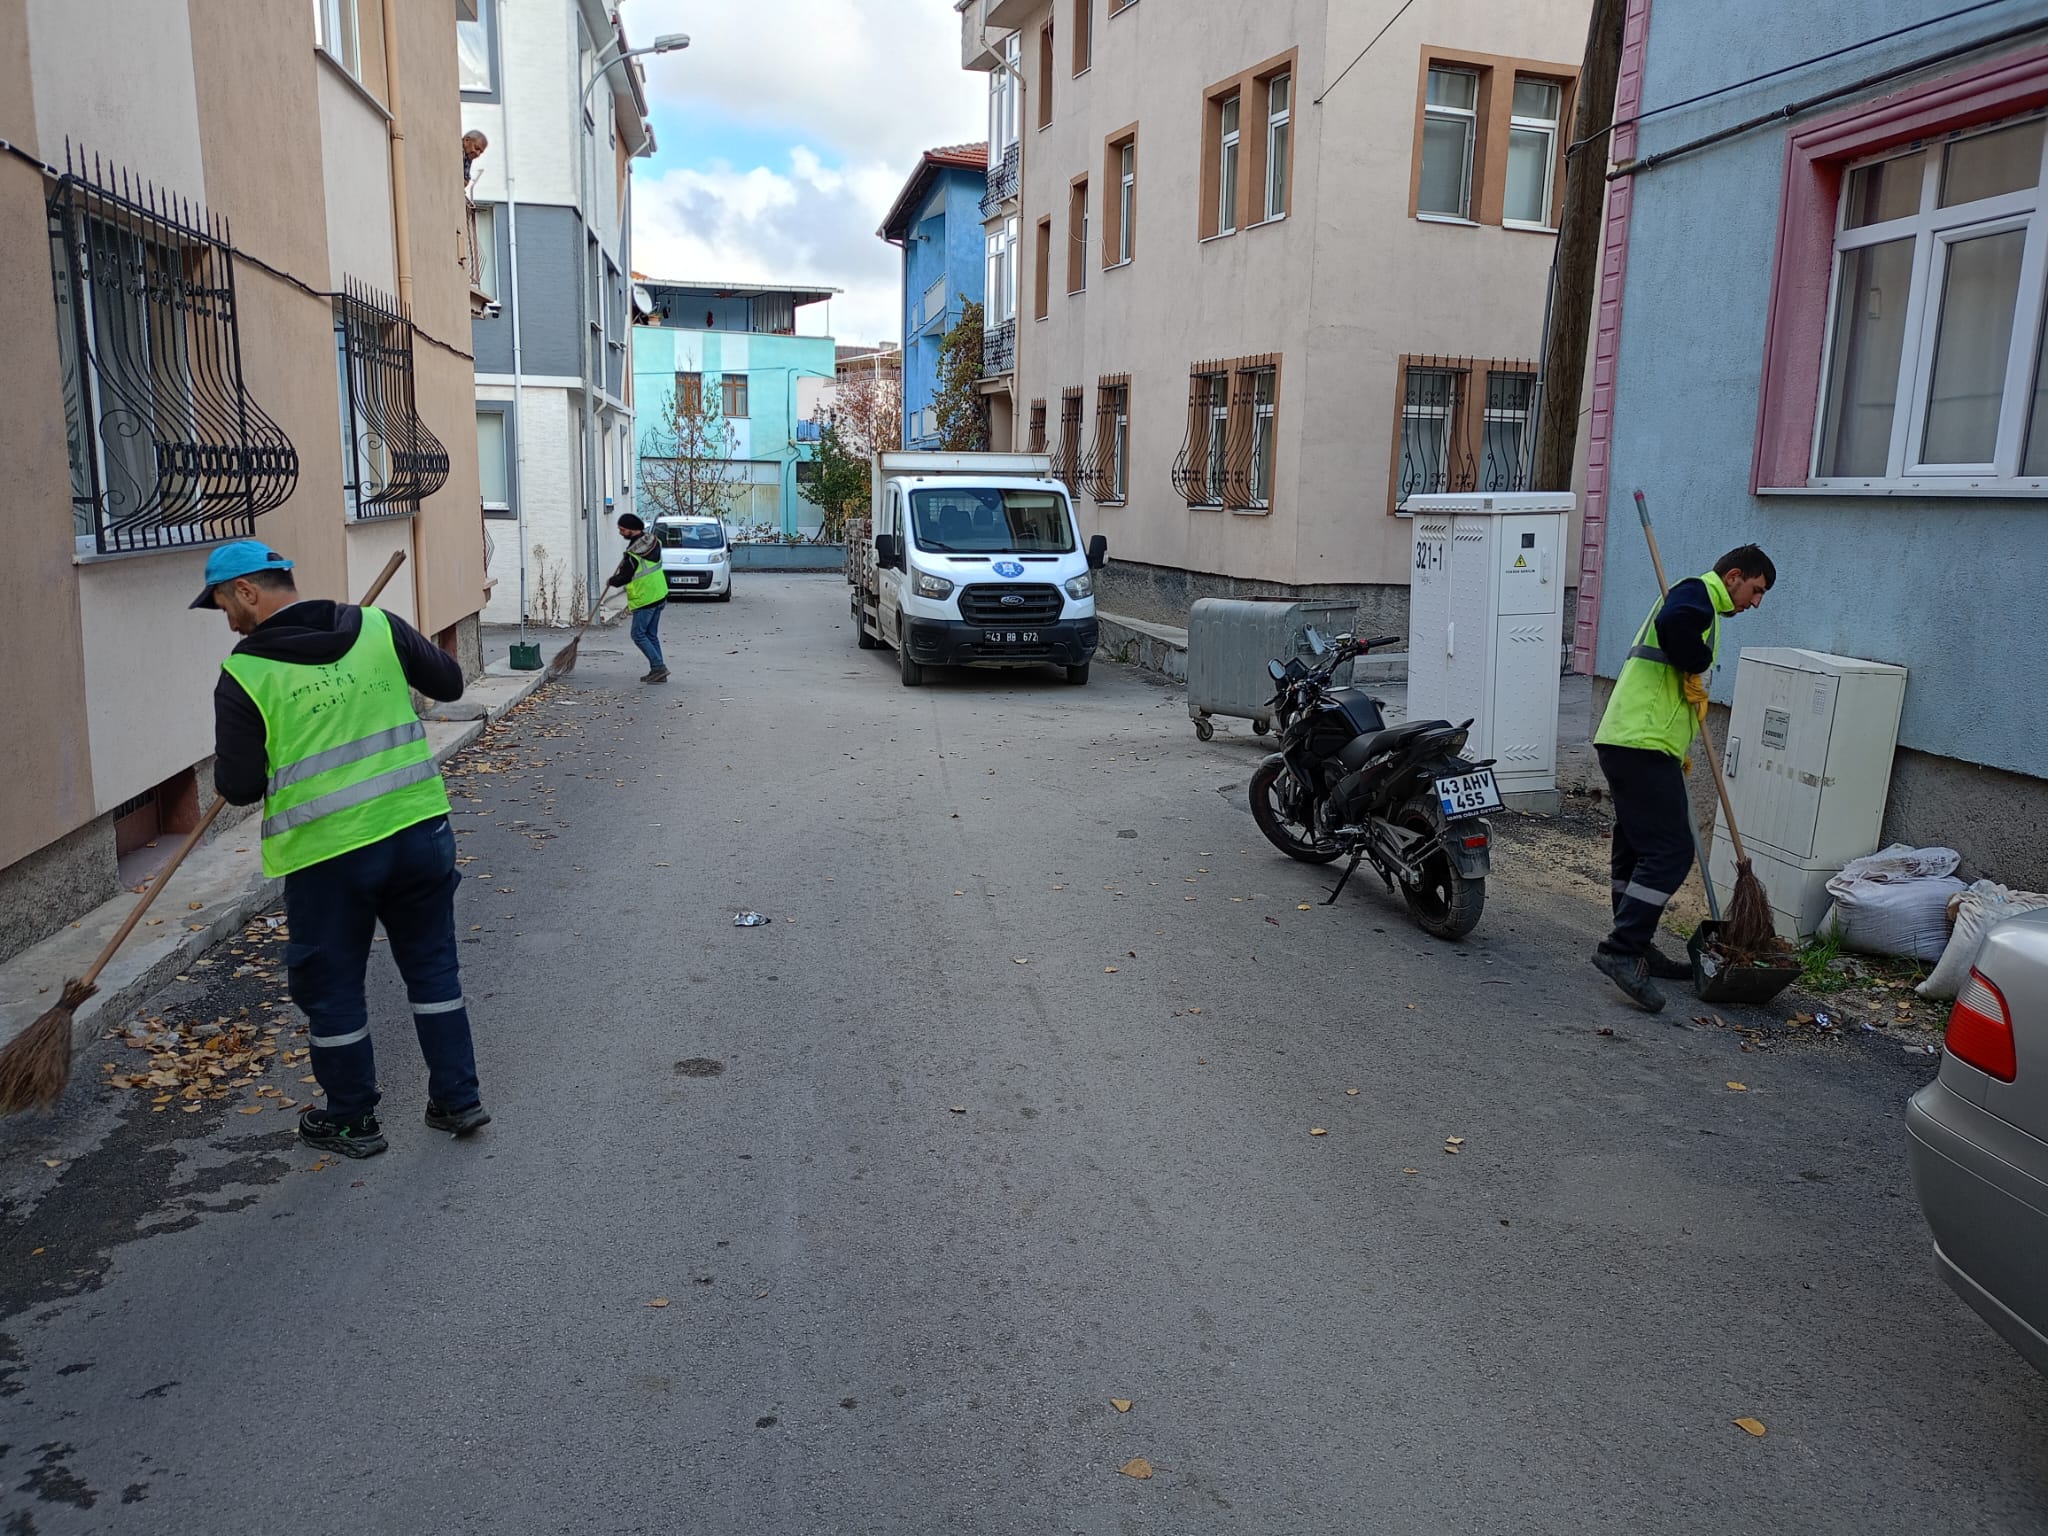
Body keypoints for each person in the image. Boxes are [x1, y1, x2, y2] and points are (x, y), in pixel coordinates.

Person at [196, 541, 489, 1158]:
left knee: (333, 989)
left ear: (248, 591)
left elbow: (240, 787)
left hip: (330, 855)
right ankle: (458, 1099)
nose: (227, 620)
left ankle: (353, 1120)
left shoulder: (246, 673)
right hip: (417, 830)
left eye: (224, 604)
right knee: (433, 967)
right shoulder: (376, 625)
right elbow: (450, 682)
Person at [1590, 543, 1776, 1011]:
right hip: (1641, 742)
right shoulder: (1697, 594)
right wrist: (1695, 662)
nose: (1755, 603)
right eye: (1755, 591)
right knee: (1670, 850)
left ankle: (1637, 943)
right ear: (1734, 576)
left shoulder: (1701, 604)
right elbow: (1673, 627)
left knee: (1635, 845)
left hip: (1636, 739)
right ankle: (1622, 950)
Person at [605, 512, 669, 683]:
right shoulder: (653, 541)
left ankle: (658, 667)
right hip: (659, 593)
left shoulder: (634, 554)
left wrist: (612, 581)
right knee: (651, 634)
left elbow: (625, 577)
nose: (620, 533)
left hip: (645, 597)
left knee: (638, 635)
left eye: (622, 529)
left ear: (631, 530)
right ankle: (658, 669)